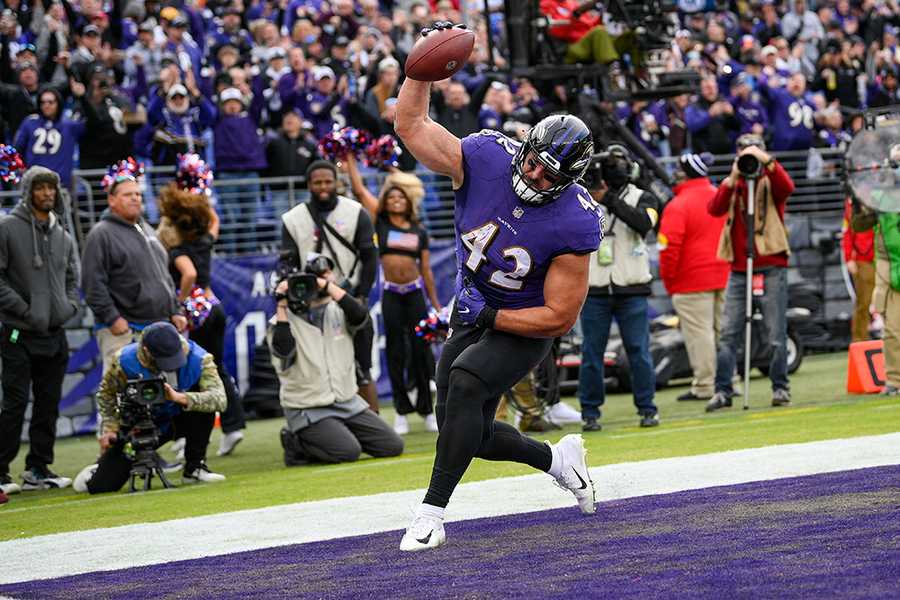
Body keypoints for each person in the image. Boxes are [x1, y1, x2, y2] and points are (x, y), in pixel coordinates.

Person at [393, 21, 603, 552]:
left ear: (570, 180)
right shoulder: (487, 156)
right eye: (532, 162)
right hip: (473, 306)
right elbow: (412, 125)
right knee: (467, 431)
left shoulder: (575, 222)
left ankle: (430, 514)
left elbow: (559, 316)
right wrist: (419, 72)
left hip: (522, 320)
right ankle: (559, 462)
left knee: (464, 383)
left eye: (548, 175)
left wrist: (490, 318)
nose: (533, 176)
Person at [270, 258, 404, 465]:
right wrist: (281, 304)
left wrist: (327, 287)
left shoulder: (339, 310)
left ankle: (335, 433)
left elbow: (361, 316)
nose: (326, 279)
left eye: (327, 275)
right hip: (307, 406)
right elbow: (283, 350)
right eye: (319, 277)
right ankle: (295, 443)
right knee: (348, 452)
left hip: (346, 401)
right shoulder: (280, 322)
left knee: (392, 446)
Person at [344, 154, 441, 435]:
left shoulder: (419, 231)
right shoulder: (380, 223)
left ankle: (425, 409)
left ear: (408, 202)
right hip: (391, 295)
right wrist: (350, 158)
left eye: (401, 198)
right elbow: (361, 190)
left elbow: (426, 270)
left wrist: (434, 305)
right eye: (392, 198)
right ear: (386, 201)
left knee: (422, 352)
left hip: (415, 295)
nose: (396, 201)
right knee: (396, 353)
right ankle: (401, 411)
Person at [156, 155, 246, 457]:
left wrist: (181, 301)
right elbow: (215, 220)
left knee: (191, 372)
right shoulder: (206, 240)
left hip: (197, 311)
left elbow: (189, 273)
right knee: (218, 369)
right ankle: (234, 426)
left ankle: (186, 434)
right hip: (215, 306)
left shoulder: (179, 249)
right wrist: (202, 193)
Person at [72, 322, 227, 493]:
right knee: (101, 486)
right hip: (143, 421)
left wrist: (179, 397)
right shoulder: (124, 360)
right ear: (146, 350)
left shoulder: (199, 358)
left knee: (203, 405)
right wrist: (110, 427)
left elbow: (220, 399)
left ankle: (195, 468)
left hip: (182, 417)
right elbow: (105, 394)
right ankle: (98, 468)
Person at [0, 166, 78, 496]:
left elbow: (74, 278)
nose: (47, 193)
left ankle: (38, 467)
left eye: (51, 187)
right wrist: (25, 311)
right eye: (40, 187)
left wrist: (70, 307)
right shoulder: (6, 228)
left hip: (55, 332)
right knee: (15, 402)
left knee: (49, 403)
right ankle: (1, 470)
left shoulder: (63, 234)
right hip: (18, 332)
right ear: (28, 191)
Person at [280, 159, 379, 412]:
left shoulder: (356, 212)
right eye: (317, 183)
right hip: (310, 301)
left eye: (328, 181)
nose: (323, 187)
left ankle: (372, 419)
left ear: (337, 182)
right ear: (309, 185)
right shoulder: (292, 219)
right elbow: (287, 261)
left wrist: (363, 296)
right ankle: (323, 416)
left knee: (362, 364)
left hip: (349, 294)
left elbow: (370, 257)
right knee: (316, 361)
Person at [706, 134, 795, 412]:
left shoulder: (771, 181)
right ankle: (723, 390)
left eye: (753, 152)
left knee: (775, 332)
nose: (749, 158)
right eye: (744, 152)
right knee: (728, 332)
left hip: (771, 263)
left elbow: (787, 187)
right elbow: (714, 208)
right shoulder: (734, 184)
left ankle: (780, 387)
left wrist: (766, 161)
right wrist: (732, 178)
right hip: (739, 267)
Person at [577, 145, 661, 431]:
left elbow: (643, 224)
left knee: (638, 350)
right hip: (596, 289)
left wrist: (609, 199)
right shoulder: (582, 197)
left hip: (632, 288)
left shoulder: (644, 197)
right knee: (591, 353)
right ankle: (589, 412)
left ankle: (648, 408)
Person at [81, 160, 188, 375]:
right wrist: (113, 318)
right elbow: (92, 283)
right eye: (128, 194)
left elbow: (164, 276)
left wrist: (174, 310)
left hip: (157, 327)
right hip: (124, 331)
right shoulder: (101, 233)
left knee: (162, 395)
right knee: (121, 398)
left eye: (138, 194)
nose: (135, 198)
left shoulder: (147, 229)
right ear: (112, 200)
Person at [658, 154, 730, 401]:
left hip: (690, 279)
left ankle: (705, 386)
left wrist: (669, 280)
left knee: (700, 335)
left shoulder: (678, 205)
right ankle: (729, 381)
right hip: (725, 272)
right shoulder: (719, 195)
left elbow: (669, 248)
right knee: (723, 332)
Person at [850, 195, 900, 394]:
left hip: (892, 265)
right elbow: (859, 225)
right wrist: (859, 204)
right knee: (892, 329)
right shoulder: (880, 193)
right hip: (891, 268)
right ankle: (895, 381)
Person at [14, 87, 84, 187]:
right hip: (34, 184)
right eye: (43, 102)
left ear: (58, 103)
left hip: (60, 184)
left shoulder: (70, 125)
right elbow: (17, 149)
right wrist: (20, 167)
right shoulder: (29, 122)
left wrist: (82, 97)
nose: (46, 105)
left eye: (50, 102)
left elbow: (94, 123)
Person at [842, 197, 875, 343]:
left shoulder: (881, 196)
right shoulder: (852, 202)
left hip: (886, 255)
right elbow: (847, 231)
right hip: (863, 258)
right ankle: (860, 341)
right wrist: (849, 257)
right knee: (863, 302)